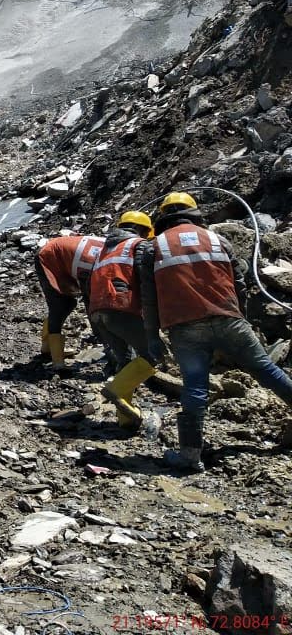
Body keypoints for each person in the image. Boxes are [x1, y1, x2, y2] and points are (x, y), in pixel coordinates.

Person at [141, 191, 292, 471]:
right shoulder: (217, 239)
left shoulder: (154, 247)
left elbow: (148, 298)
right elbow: (240, 283)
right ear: (194, 212)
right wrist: (241, 317)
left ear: (164, 217)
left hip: (184, 326)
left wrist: (152, 336)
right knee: (266, 369)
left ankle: (189, 454)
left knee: (195, 386)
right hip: (228, 318)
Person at [89, 211, 160, 430]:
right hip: (120, 308)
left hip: (98, 312)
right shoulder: (139, 245)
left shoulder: (105, 250)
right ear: (145, 230)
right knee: (154, 354)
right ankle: (114, 388)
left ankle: (126, 420)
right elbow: (148, 281)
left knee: (126, 362)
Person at [34, 232, 104, 372]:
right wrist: (101, 335)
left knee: (67, 304)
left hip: (64, 254)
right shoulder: (99, 266)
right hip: (49, 257)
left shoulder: (115, 255)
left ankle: (47, 348)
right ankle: (57, 361)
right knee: (61, 305)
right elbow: (90, 300)